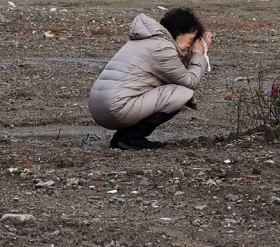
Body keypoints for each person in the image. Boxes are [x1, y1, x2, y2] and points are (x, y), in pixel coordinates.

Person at [88, 8, 212, 150]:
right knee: (182, 93)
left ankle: (121, 139)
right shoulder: (162, 48)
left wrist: (191, 56)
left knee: (167, 90)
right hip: (115, 108)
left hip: (100, 106)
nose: (191, 44)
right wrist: (198, 55)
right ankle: (133, 138)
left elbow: (173, 72)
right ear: (180, 31)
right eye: (191, 39)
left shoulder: (148, 40)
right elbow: (190, 82)